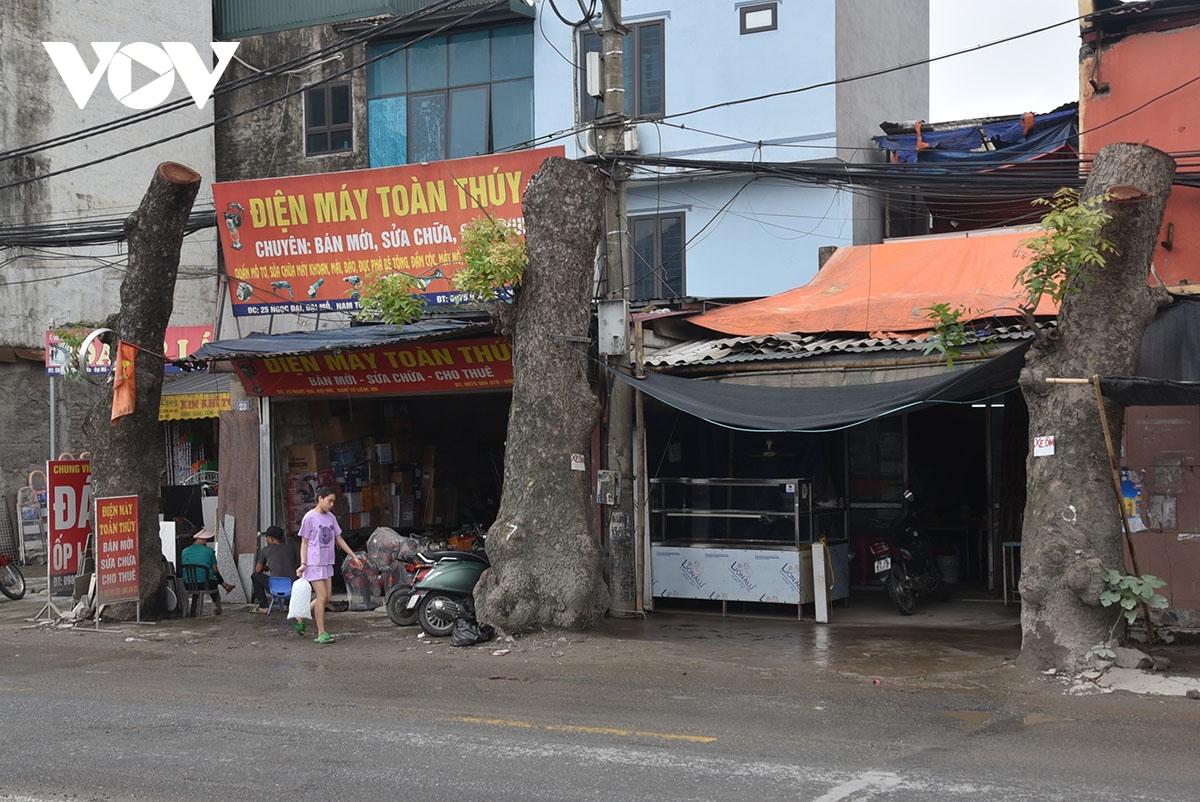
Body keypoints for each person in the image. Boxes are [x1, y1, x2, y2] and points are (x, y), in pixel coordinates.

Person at [296, 486, 362, 644]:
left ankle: (300, 615)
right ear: (320, 499)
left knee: (327, 598)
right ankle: (321, 633)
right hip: (313, 562)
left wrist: (353, 556)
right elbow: (304, 543)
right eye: (329, 501)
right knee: (322, 596)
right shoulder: (309, 518)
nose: (332, 504)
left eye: (333, 501)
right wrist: (303, 563)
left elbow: (339, 539)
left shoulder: (331, 518)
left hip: (327, 562)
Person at [179, 527, 235, 615]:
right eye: (204, 538)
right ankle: (217, 607)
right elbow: (216, 570)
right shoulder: (209, 551)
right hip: (205, 584)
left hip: (188, 584)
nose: (206, 540)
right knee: (214, 579)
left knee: (205, 578)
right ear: (198, 538)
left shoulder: (184, 551)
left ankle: (193, 610)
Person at [250, 526, 297, 614]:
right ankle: (288, 605)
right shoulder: (292, 548)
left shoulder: (266, 550)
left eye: (267, 538)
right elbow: (293, 565)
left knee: (255, 576)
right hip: (291, 587)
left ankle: (263, 606)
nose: (266, 540)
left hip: (275, 587)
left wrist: (266, 567)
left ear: (271, 539)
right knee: (290, 574)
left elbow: (258, 570)